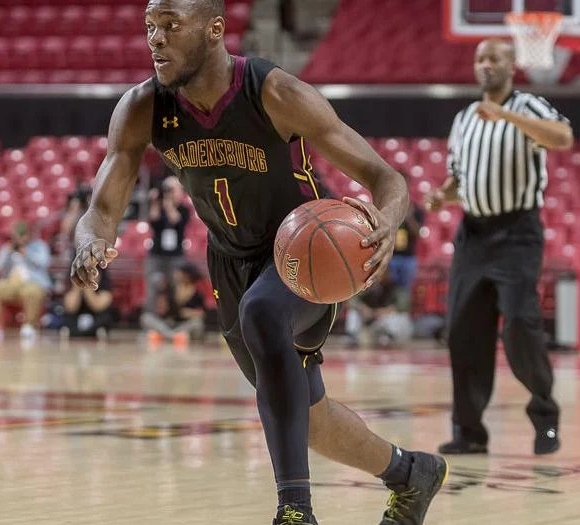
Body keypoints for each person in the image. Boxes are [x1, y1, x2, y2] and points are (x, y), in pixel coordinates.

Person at [70, 1, 446, 523]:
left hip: (304, 253)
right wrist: (88, 241)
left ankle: (295, 512)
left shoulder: (274, 92)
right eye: (151, 27)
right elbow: (101, 210)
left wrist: (386, 222)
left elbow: (388, 179)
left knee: (263, 313)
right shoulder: (142, 107)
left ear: (215, 29)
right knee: (308, 418)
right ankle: (410, 473)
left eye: (171, 25)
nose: (155, 38)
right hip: (228, 263)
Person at [426, 38, 570, 457]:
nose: (485, 64)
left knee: (521, 325)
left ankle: (544, 411)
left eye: (494, 58)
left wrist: (505, 115)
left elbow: (562, 137)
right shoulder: (464, 118)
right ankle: (469, 432)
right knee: (463, 332)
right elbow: (460, 180)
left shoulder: (528, 106)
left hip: (517, 233)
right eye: (480, 59)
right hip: (473, 235)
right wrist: (443, 196)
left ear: (511, 66)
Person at [0, 221, 52, 346]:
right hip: (10, 284)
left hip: (32, 283)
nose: (20, 238)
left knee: (32, 292)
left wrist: (26, 253)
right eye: (17, 235)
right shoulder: (8, 247)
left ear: (28, 234)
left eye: (22, 235)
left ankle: (29, 327)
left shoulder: (39, 246)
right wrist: (7, 252)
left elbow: (44, 262)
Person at [144, 176, 190, 316]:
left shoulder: (184, 209)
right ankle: (151, 318)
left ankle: (174, 317)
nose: (171, 193)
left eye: (173, 190)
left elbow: (176, 220)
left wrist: (168, 203)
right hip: (157, 254)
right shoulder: (159, 206)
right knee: (153, 286)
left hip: (176, 255)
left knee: (175, 287)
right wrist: (155, 202)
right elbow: (153, 220)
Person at [140, 261, 206, 346]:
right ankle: (173, 336)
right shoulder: (169, 287)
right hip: (167, 323)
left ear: (187, 275)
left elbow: (202, 313)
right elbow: (162, 310)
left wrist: (190, 313)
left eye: (180, 272)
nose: (176, 274)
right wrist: (162, 306)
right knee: (146, 318)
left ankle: (164, 335)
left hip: (183, 325)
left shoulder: (198, 293)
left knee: (197, 324)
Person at [62, 266, 114, 340]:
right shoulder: (74, 283)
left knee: (105, 319)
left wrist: (88, 286)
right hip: (77, 318)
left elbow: (97, 306)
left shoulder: (104, 287)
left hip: (96, 318)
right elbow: (70, 307)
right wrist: (78, 285)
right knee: (65, 318)